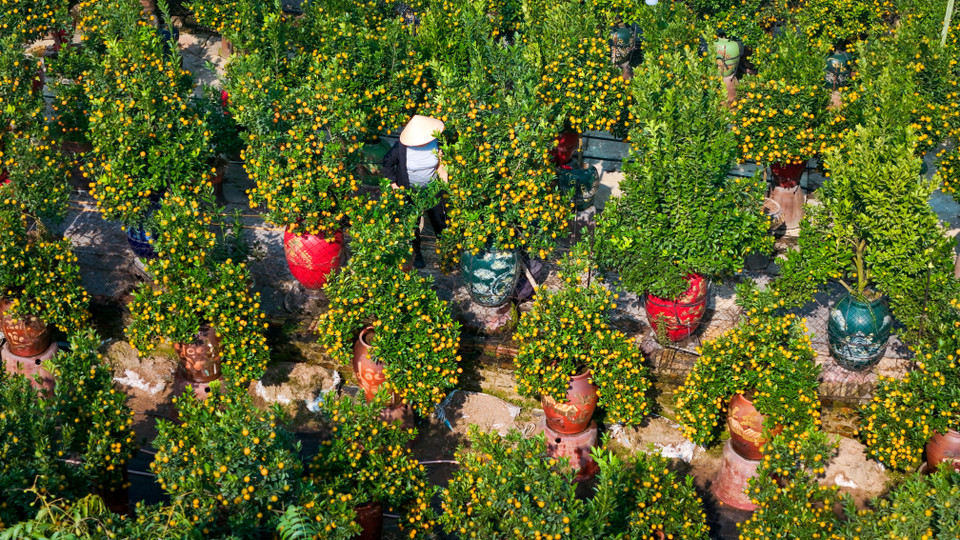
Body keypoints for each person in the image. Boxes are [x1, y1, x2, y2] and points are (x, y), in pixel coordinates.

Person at [382, 115, 448, 269]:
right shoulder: (401, 147)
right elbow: (386, 164)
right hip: (411, 191)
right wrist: (394, 186)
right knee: (413, 224)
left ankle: (446, 254)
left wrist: (444, 183)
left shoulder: (435, 142)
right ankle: (417, 254)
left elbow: (441, 165)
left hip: (432, 189)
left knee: (440, 221)